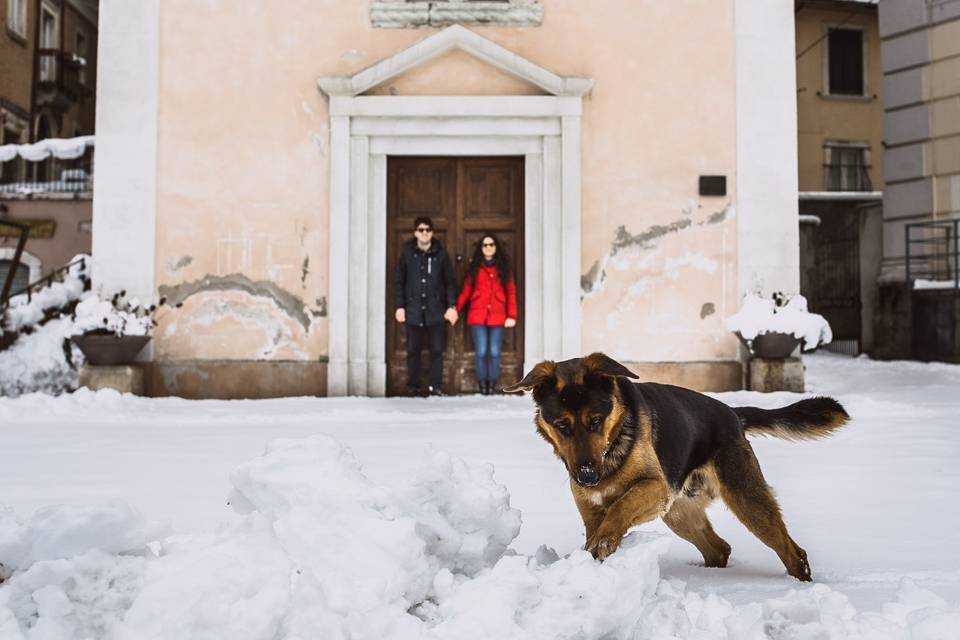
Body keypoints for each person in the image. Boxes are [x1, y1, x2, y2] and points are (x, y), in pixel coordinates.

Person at [394, 216, 458, 396]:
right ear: (415, 233)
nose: (424, 233)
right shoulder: (407, 253)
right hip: (413, 310)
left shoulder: (441, 254)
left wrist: (451, 305)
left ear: (432, 233)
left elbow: (449, 282)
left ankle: (435, 386)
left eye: (427, 230)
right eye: (421, 230)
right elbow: (399, 281)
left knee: (437, 351)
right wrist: (400, 306)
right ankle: (412, 386)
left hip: (435, 311)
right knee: (413, 351)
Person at [456, 234, 517, 395]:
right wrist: (455, 309)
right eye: (485, 245)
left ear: (496, 247)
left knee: (495, 352)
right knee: (481, 351)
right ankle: (483, 384)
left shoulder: (504, 268)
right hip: (477, 316)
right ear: (481, 248)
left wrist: (512, 315)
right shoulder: (475, 269)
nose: (488, 247)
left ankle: (492, 384)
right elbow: (466, 292)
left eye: (491, 244)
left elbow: (511, 292)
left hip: (498, 316)